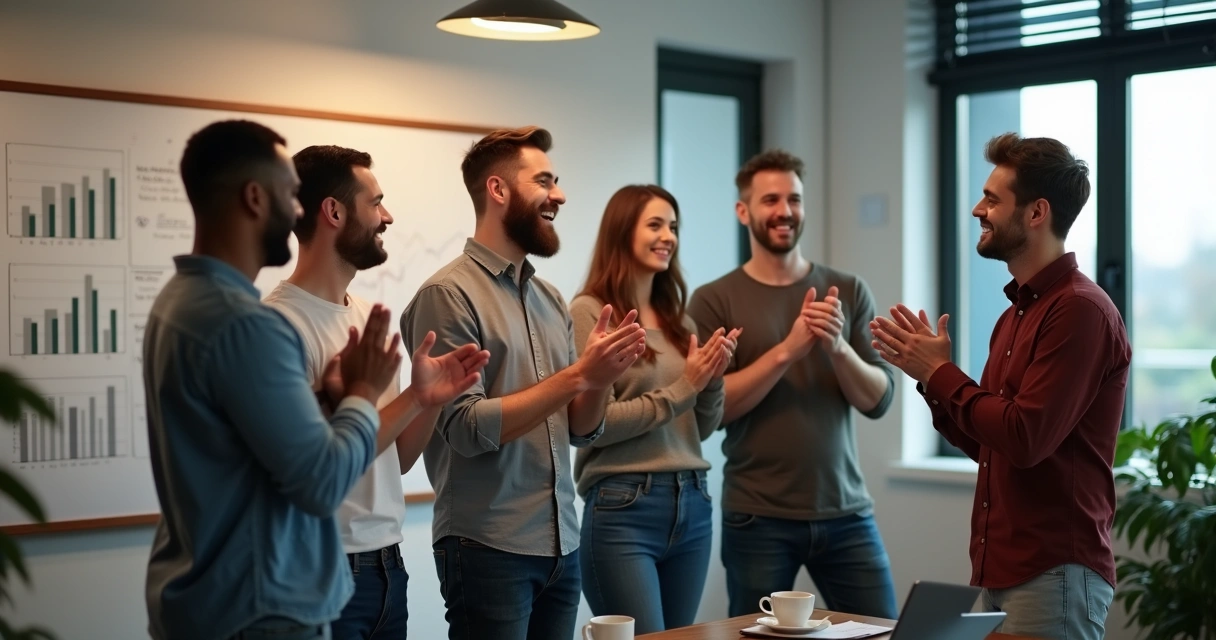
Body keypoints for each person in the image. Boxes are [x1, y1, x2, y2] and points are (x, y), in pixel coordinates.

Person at [144, 120, 404, 640]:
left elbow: (242, 446)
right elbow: (322, 483)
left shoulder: (181, 301)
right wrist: (359, 395)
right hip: (257, 611)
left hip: (218, 602)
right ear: (256, 198)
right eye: (291, 195)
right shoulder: (245, 323)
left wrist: (324, 403)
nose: (298, 213)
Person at [871, 133, 1129, 640]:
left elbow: (1024, 437)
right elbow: (992, 445)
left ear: (1036, 213)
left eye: (992, 199)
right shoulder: (1015, 315)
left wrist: (941, 374)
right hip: (1001, 571)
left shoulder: (1080, 310)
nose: (976, 209)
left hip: (1053, 571)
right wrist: (931, 380)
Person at [399, 126, 647, 640]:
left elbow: (581, 429)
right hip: (487, 546)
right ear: (498, 190)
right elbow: (466, 428)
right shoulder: (447, 295)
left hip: (563, 544)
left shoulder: (551, 298)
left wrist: (601, 377)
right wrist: (579, 374)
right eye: (545, 181)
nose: (559, 194)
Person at [263, 145, 490, 639]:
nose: (387, 217)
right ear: (334, 212)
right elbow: (320, 468)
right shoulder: (278, 325)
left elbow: (399, 459)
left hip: (388, 566)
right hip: (322, 566)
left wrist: (429, 400)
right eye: (377, 202)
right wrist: (413, 399)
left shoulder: (368, 317)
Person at [688, 149, 898, 619]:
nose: (785, 211)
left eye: (794, 199)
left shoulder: (847, 288)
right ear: (744, 211)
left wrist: (837, 347)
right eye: (770, 200)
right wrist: (788, 349)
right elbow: (713, 411)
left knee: (885, 632)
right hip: (757, 516)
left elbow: (879, 400)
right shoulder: (713, 300)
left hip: (847, 512)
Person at [571, 184, 739, 634]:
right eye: (655, 224)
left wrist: (713, 377)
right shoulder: (591, 313)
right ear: (623, 231)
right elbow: (592, 426)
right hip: (622, 505)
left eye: (674, 226)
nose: (669, 236)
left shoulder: (679, 320)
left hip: (695, 500)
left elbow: (700, 428)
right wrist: (687, 386)